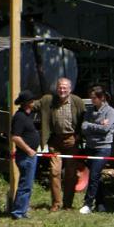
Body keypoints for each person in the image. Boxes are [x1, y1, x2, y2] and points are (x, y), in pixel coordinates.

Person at [35, 77, 85, 211]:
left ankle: (68, 204)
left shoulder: (77, 102)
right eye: (60, 87)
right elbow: (33, 105)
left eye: (64, 87)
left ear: (70, 89)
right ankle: (56, 203)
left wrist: (80, 135)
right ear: (56, 88)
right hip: (55, 141)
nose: (62, 90)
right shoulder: (49, 100)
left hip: (71, 141)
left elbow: (84, 117)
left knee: (71, 173)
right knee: (54, 172)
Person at [79, 85, 114, 214]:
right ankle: (101, 204)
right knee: (96, 176)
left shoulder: (110, 111)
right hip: (90, 147)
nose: (92, 100)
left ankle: (88, 203)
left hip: (103, 148)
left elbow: (106, 130)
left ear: (102, 98)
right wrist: (98, 124)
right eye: (91, 98)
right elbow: (83, 126)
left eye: (94, 98)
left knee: (94, 174)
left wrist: (91, 126)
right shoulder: (89, 111)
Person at [9, 89, 40, 220]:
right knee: (25, 185)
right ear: (26, 103)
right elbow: (15, 137)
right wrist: (28, 150)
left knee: (28, 184)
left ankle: (22, 210)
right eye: (31, 101)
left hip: (30, 156)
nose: (34, 102)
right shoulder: (20, 117)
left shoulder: (28, 115)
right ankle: (18, 212)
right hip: (26, 156)